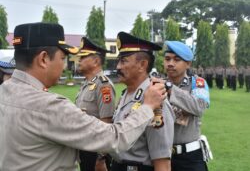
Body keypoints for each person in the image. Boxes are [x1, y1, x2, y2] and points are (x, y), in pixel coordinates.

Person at [0, 22, 167, 171]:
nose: (65, 65)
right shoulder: (48, 107)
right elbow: (114, 137)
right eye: (63, 58)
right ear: (44, 59)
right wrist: (147, 107)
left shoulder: (4, 91)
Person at [110, 32, 174, 171]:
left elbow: (162, 161)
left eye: (124, 61)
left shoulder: (156, 101)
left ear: (142, 65)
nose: (118, 67)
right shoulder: (126, 94)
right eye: (119, 61)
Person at [163, 41, 211, 171]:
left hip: (189, 157)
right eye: (167, 59)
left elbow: (199, 107)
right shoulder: (157, 85)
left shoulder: (197, 83)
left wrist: (171, 89)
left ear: (188, 64)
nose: (170, 63)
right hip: (162, 155)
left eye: (176, 60)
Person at [75, 37, 116, 171]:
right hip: (84, 147)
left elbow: (107, 123)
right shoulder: (87, 84)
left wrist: (101, 157)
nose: (79, 60)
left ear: (96, 61)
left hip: (96, 151)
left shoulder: (103, 85)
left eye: (83, 57)